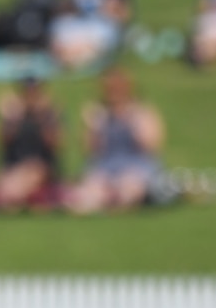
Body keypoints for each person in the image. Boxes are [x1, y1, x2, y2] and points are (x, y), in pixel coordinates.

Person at [63, 67, 165, 214]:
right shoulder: (100, 113)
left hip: (136, 166)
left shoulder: (142, 111)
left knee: (126, 190)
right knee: (85, 197)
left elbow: (151, 146)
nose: (113, 92)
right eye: (109, 87)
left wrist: (132, 121)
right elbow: (89, 150)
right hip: (106, 166)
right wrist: (92, 126)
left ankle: (119, 200)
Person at [0, 77, 64, 213]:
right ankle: (9, 199)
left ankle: (7, 200)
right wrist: (11, 117)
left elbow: (54, 143)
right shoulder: (14, 114)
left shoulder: (49, 114)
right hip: (13, 165)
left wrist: (42, 116)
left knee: (26, 176)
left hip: (40, 166)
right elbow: (1, 140)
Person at [48, 0, 132, 71]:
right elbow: (62, 10)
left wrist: (108, 5)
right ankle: (70, 56)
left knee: (95, 40)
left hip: (101, 27)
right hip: (79, 24)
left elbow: (124, 16)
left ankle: (73, 58)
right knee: (60, 30)